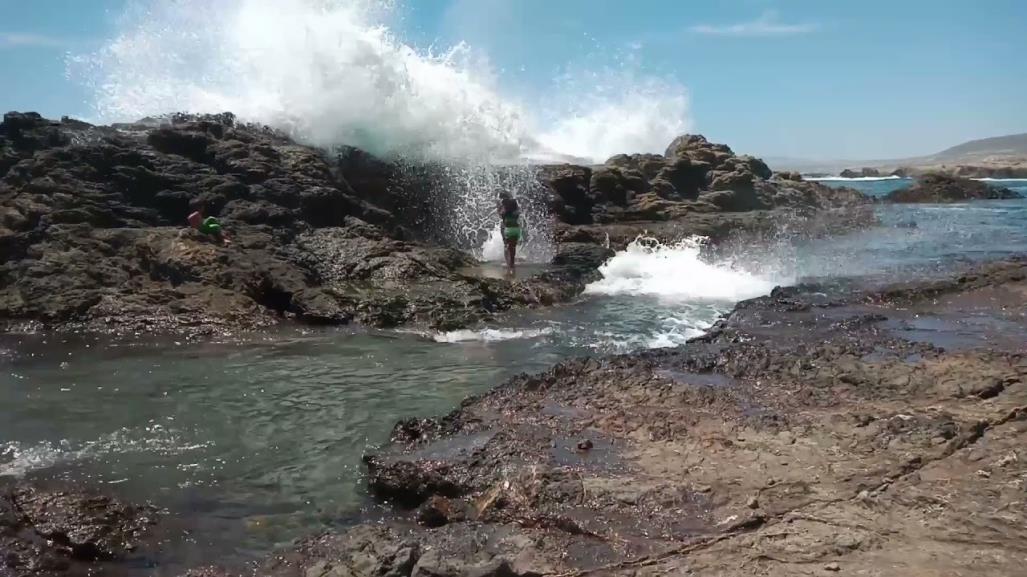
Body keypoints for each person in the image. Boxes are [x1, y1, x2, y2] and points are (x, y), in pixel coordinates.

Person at [496, 192, 522, 274]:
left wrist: (499, 206)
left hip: (507, 228)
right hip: (515, 229)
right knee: (512, 247)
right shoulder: (515, 211)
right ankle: (512, 263)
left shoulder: (504, 211)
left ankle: (508, 263)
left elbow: (500, 214)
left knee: (506, 246)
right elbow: (518, 212)